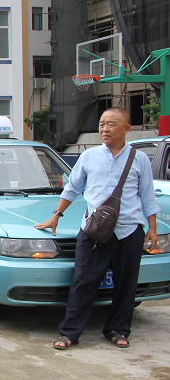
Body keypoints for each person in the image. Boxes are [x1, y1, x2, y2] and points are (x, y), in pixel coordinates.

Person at [35, 107, 159, 350]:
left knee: (126, 284)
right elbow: (72, 188)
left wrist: (152, 228)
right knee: (83, 282)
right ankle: (70, 332)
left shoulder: (139, 159)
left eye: (111, 124)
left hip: (129, 231)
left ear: (126, 128)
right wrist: (56, 216)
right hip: (93, 231)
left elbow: (147, 196)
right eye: (102, 124)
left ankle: (118, 329)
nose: (105, 128)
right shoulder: (89, 156)